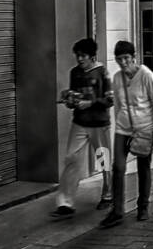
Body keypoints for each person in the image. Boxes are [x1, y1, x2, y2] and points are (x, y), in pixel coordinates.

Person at [101, 40, 153, 228]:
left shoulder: (146, 75)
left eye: (126, 58)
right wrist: (117, 125)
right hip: (123, 129)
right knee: (118, 168)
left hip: (144, 128)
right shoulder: (117, 79)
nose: (123, 63)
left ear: (134, 57)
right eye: (119, 59)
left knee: (143, 167)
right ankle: (117, 211)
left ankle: (143, 206)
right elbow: (117, 105)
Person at [49, 38, 115, 218]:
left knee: (104, 161)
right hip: (79, 122)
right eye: (77, 56)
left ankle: (108, 194)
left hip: (99, 124)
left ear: (92, 56)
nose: (79, 59)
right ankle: (65, 203)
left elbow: (110, 100)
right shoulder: (74, 73)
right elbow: (74, 96)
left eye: (83, 56)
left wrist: (91, 103)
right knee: (71, 159)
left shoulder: (103, 73)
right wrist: (70, 101)